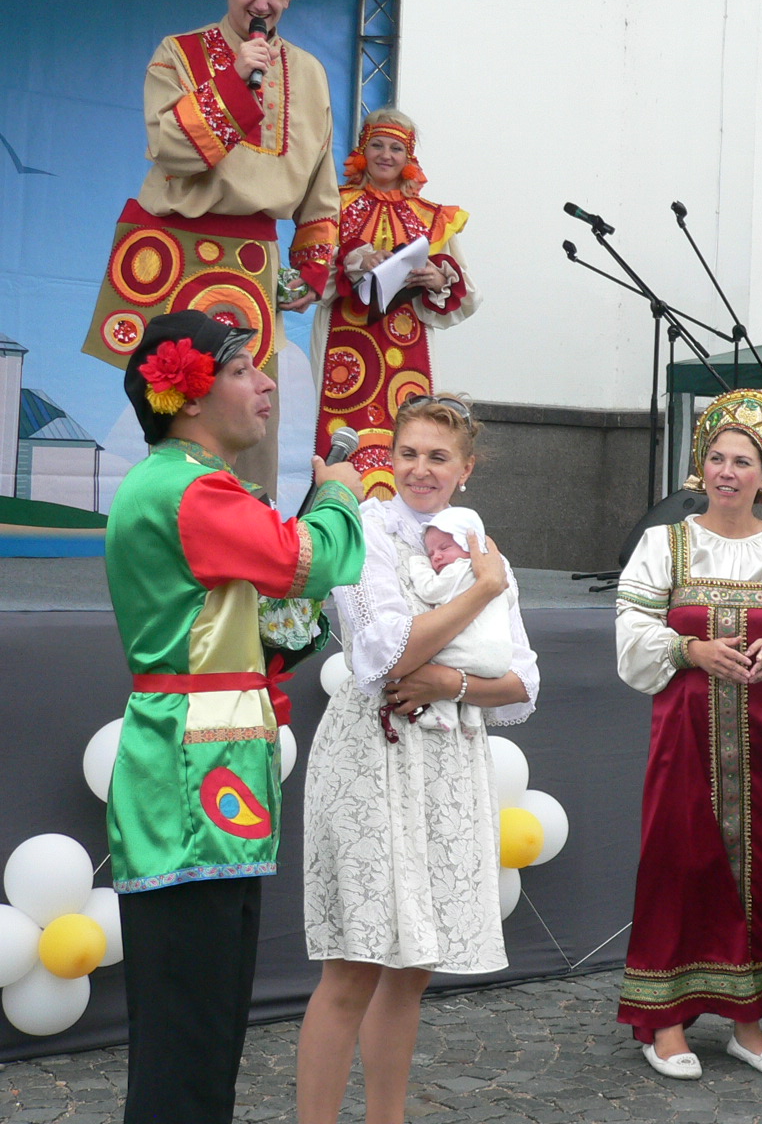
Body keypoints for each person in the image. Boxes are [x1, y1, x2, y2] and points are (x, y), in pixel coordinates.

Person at [104, 309, 364, 1124]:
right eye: (243, 369)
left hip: (205, 773)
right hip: (193, 780)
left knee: (200, 1024)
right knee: (192, 1029)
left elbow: (240, 623)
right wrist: (339, 492)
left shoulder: (183, 483)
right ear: (187, 395)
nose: (265, 384)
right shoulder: (191, 489)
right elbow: (312, 560)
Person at [297, 394, 540, 1124]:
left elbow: (523, 682)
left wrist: (450, 684)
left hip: (446, 765)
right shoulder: (367, 531)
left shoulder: (480, 545)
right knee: (354, 964)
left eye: (438, 457)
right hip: (371, 756)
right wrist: (482, 592)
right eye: (408, 453)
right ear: (390, 458)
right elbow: (384, 654)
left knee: (412, 970)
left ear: (466, 469)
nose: (420, 469)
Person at [83, 0, 339, 498]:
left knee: (251, 410)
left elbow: (321, 182)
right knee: (179, 405)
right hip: (182, 251)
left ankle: (247, 536)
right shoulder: (178, 54)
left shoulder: (311, 73)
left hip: (254, 261)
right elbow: (171, 147)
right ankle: (172, 521)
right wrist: (234, 80)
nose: (262, 3)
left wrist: (313, 264)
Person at [615, 389, 762, 1079]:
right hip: (685, 733)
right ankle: (665, 1019)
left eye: (743, 461)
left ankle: (747, 1020)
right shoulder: (665, 543)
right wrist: (690, 650)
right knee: (680, 860)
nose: (727, 472)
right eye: (717, 458)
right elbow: (631, 632)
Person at [311, 109, 481, 498]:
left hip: (407, 344)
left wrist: (438, 279)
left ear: (409, 158)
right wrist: (356, 263)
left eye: (396, 148)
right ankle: (339, 511)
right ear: (362, 150)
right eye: (377, 145)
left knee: (409, 430)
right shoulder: (334, 205)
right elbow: (314, 276)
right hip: (345, 338)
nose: (386, 155)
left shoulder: (431, 217)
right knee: (341, 432)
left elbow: (469, 295)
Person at [406, 506, 515, 734]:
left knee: (429, 659)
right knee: (467, 671)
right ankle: (472, 718)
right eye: (430, 554)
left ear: (469, 546)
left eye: (445, 547)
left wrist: (419, 564)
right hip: (501, 660)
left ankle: (444, 715)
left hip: (471, 655)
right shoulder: (499, 574)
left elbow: (429, 590)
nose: (436, 556)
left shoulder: (460, 569)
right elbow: (511, 599)